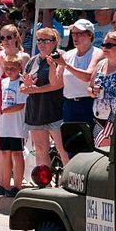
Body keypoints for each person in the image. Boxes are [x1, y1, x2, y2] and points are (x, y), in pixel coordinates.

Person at [21, 27, 69, 167]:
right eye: (39, 40)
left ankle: (68, 184)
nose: (42, 44)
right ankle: (44, 184)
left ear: (55, 42)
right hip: (36, 112)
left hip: (56, 111)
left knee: (62, 149)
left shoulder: (61, 57)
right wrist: (27, 87)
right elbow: (22, 87)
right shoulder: (32, 61)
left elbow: (57, 84)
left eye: (46, 40)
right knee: (41, 149)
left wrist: (36, 90)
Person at [0, 54, 28, 198]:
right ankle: (5, 184)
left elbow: (20, 105)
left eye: (13, 68)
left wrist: (4, 110)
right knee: (5, 153)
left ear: (19, 67)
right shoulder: (3, 82)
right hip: (4, 126)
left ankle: (17, 185)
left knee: (17, 154)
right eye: (7, 68)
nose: (10, 71)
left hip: (17, 126)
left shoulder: (21, 83)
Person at [58, 19, 103, 126]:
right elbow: (57, 81)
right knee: (70, 141)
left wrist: (65, 65)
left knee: (89, 140)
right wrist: (51, 65)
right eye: (73, 33)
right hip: (69, 105)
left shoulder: (97, 53)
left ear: (90, 35)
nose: (75, 37)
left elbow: (88, 76)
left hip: (88, 104)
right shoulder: (68, 55)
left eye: (80, 34)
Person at [88, 31, 116, 147]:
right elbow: (89, 87)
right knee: (100, 151)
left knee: (115, 151)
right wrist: (93, 92)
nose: (104, 48)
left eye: (109, 45)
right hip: (99, 118)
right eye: (103, 45)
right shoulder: (100, 65)